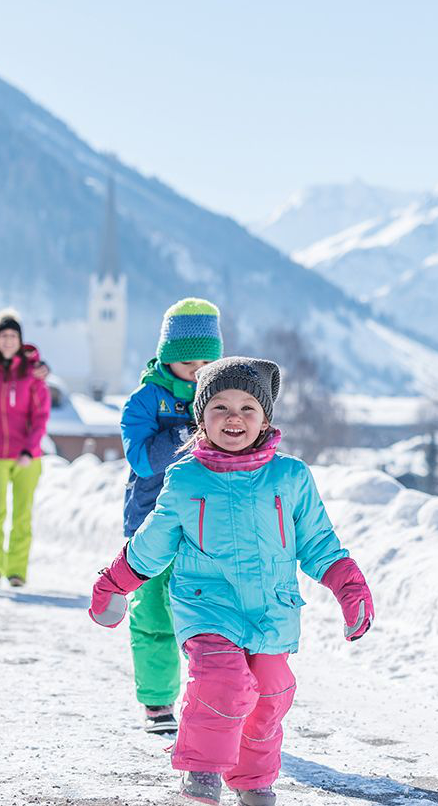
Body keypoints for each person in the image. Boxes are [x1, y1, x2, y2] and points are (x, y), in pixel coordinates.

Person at [90, 357, 374, 806]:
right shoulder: (185, 478)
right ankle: (201, 772)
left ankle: (252, 778)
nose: (234, 417)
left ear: (265, 419)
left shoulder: (291, 477)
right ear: (201, 418)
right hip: (206, 606)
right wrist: (113, 584)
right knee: (224, 680)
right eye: (219, 407)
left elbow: (319, 542)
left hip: (272, 609)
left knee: (271, 692)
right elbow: (153, 541)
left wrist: (349, 587)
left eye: (247, 407)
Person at [118, 298, 224, 733]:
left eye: (206, 360)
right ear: (167, 356)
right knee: (155, 614)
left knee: (212, 617)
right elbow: (143, 460)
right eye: (186, 359)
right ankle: (159, 702)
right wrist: (188, 433)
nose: (197, 370)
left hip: (207, 524)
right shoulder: (145, 401)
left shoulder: (222, 397)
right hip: (150, 523)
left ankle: (214, 701)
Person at [0, 308, 52, 589]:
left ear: (20, 340)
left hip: (27, 456)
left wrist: (29, 449)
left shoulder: (32, 374)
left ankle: (16, 571)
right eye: (3, 336)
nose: (8, 341)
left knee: (22, 515)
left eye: (13, 336)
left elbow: (41, 415)